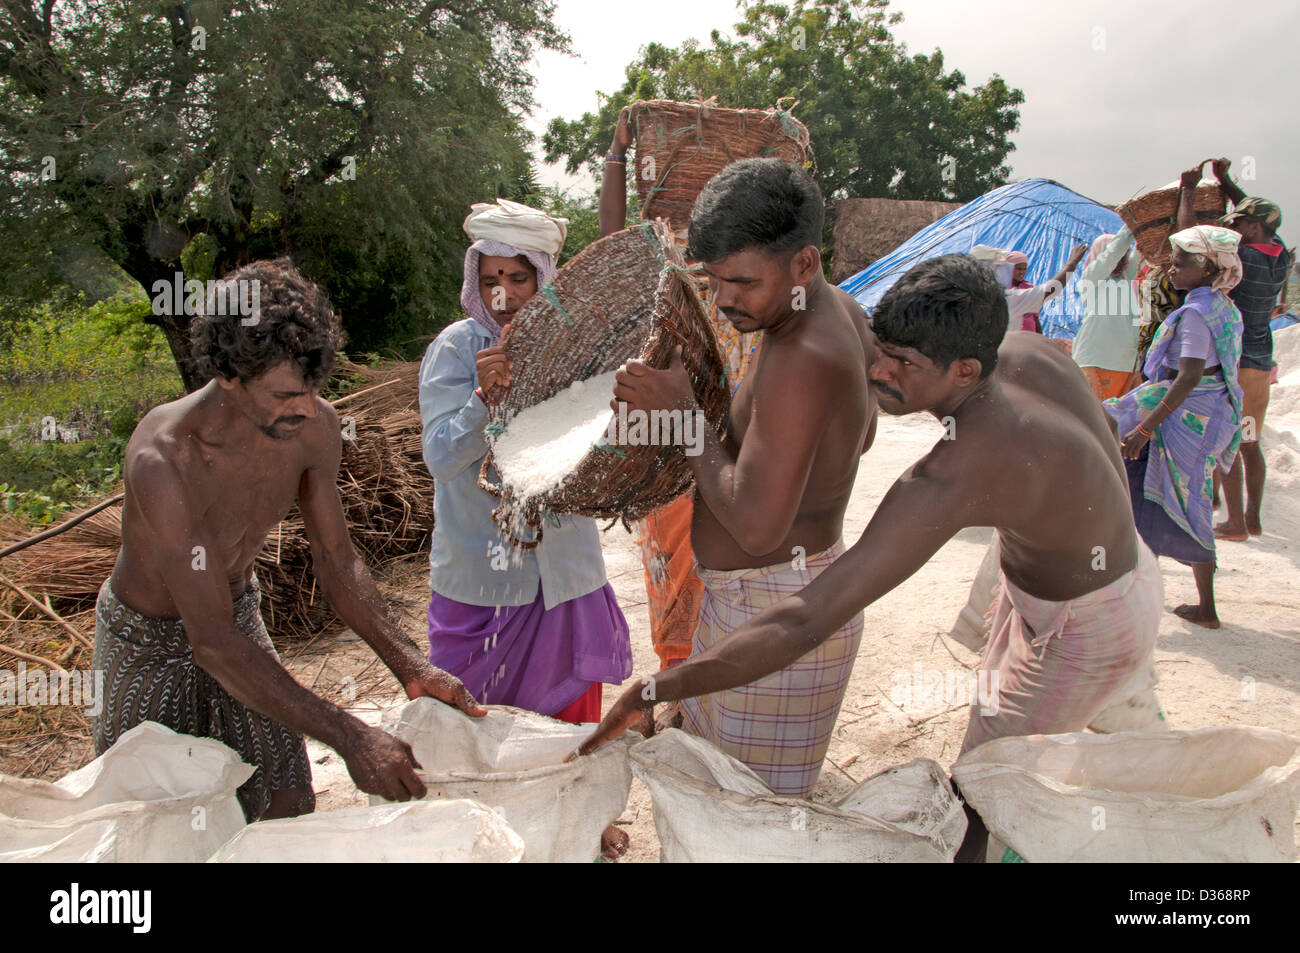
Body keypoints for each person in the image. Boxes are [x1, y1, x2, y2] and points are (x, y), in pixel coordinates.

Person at [579, 254, 1165, 859]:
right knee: (1040, 752)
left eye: (904, 364)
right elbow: (1101, 456)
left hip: (1084, 624)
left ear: (965, 369)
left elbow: (806, 618)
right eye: (882, 348)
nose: (879, 370)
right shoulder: (1028, 353)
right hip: (1118, 573)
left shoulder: (959, 470)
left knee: (984, 793)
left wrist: (656, 687)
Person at [93, 259, 486, 824]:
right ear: (228, 373)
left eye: (311, 389)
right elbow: (212, 644)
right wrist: (350, 736)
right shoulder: (167, 458)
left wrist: (409, 664)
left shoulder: (313, 428)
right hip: (146, 640)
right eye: (281, 394)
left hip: (235, 615)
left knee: (286, 802)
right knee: (153, 821)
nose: (302, 408)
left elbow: (337, 560)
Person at [607, 157, 876, 797]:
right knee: (733, 808)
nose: (725, 300)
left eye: (742, 283)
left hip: (774, 610)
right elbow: (860, 433)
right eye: (714, 280)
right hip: (773, 599)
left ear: (804, 263)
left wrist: (685, 420)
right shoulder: (839, 312)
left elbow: (757, 527)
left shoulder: (801, 354)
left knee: (742, 827)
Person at [418, 199, 633, 855]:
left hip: (564, 573)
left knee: (568, 726)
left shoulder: (578, 347)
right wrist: (486, 401)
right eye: (491, 279)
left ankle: (579, 822)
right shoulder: (456, 350)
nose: (504, 294)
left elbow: (604, 448)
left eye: (519, 277)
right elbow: (440, 457)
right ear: (473, 282)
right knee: (473, 726)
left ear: (543, 277)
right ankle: (488, 837)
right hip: (481, 583)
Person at [1106, 225, 1245, 629]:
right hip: (1204, 411)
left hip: (1188, 416)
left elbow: (1187, 377)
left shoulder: (1197, 315)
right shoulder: (1223, 306)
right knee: (1156, 492)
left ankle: (1206, 609)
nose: (1172, 270)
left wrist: (1145, 427)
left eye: (1181, 263)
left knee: (1189, 501)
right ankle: (1141, 589)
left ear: (1206, 267)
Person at [1198, 160, 1292, 541]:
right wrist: (1228, 183)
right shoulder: (1281, 257)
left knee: (1228, 441)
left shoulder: (1243, 259)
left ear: (1253, 229)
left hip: (1235, 362)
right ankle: (1252, 518)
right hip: (1260, 364)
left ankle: (1233, 523)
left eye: (1238, 223)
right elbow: (1264, 221)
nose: (1233, 228)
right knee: (1250, 442)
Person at [1071, 228, 1146, 400]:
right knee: (1095, 418)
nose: (1120, 261)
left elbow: (1141, 254)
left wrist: (1144, 230)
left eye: (1124, 257)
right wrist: (1130, 226)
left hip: (1125, 363)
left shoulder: (1126, 280)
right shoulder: (1091, 278)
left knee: (1115, 420)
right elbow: (1111, 256)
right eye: (1119, 256)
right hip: (1093, 361)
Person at [1003, 244, 1087, 334]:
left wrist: (1040, 338)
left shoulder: (1027, 287)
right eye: (1018, 269)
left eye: (1024, 269)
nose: (1022, 272)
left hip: (1030, 337)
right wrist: (1071, 263)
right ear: (1009, 268)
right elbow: (1050, 290)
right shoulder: (1003, 289)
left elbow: (1034, 317)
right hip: (1012, 339)